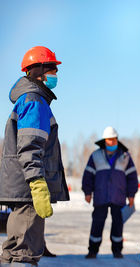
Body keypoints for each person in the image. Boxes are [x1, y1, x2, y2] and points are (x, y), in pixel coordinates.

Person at [0, 46, 70, 265]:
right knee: (24, 252)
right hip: (29, 190)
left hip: (22, 188)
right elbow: (30, 147)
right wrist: (38, 184)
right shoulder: (35, 102)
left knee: (14, 250)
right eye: (52, 70)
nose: (55, 75)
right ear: (39, 71)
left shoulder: (29, 100)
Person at [82, 126, 138, 259]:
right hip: (101, 195)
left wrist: (131, 195)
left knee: (118, 223)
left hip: (118, 195)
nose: (111, 143)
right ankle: (93, 250)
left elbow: (132, 177)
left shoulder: (125, 156)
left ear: (117, 140)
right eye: (109, 140)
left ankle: (117, 250)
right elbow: (88, 175)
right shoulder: (95, 155)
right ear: (104, 140)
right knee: (97, 222)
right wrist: (87, 192)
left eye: (113, 140)